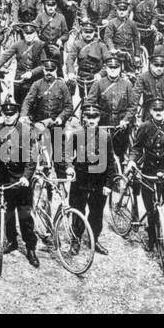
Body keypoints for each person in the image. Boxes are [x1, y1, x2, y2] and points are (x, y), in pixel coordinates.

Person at [126, 98, 164, 259]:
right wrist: (131, 161)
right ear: (150, 111)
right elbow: (137, 148)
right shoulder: (145, 127)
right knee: (150, 208)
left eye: (162, 110)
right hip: (149, 171)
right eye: (155, 110)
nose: (158, 113)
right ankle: (152, 236)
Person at [0, 100, 38, 265]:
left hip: (20, 180)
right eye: (4, 114)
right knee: (7, 213)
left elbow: (31, 158)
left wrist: (26, 177)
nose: (7, 117)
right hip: (2, 178)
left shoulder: (26, 131)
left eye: (11, 114)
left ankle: (30, 248)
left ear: (17, 115)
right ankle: (12, 241)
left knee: (25, 215)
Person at [65, 101, 119, 254]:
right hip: (80, 180)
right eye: (87, 117)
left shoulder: (105, 136)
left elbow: (110, 162)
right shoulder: (77, 134)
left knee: (96, 213)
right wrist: (69, 166)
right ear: (83, 118)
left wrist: (108, 185)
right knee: (78, 210)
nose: (91, 120)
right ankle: (76, 240)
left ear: (99, 118)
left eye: (94, 117)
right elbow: (67, 154)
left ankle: (94, 239)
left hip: (98, 181)